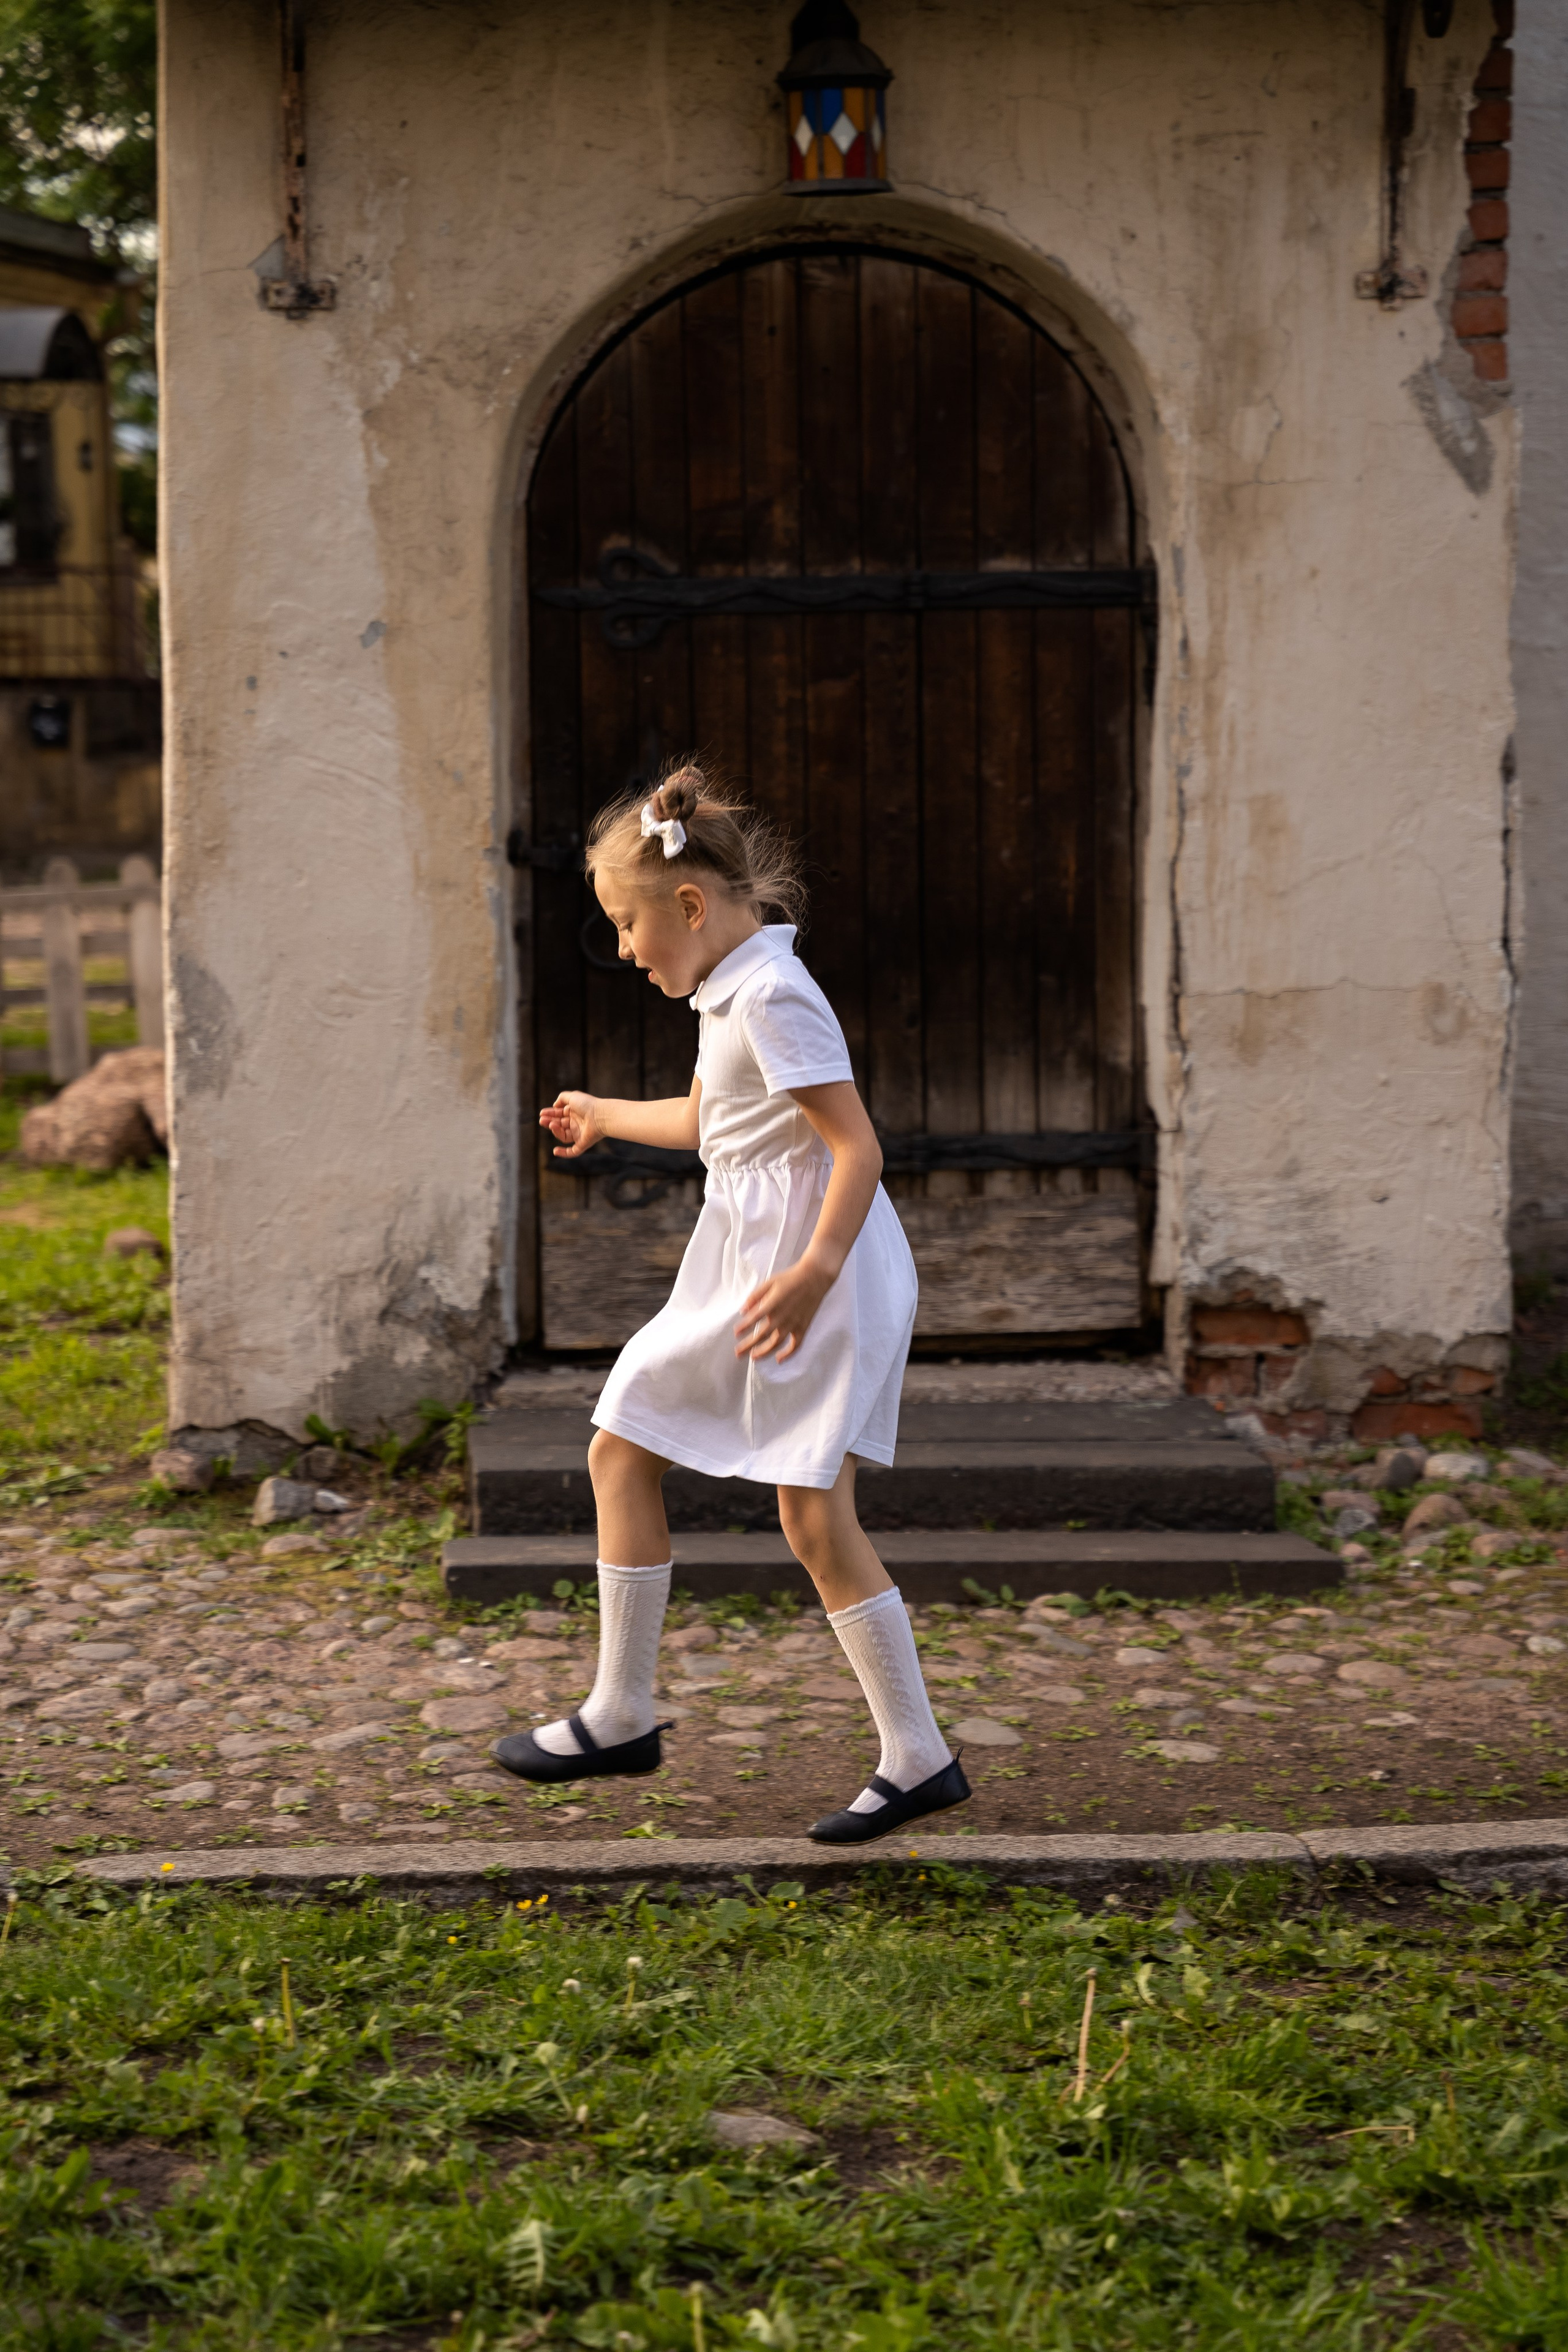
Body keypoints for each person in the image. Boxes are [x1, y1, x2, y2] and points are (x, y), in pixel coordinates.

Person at [494, 762, 969, 1842]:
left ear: (690, 905)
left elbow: (857, 1149)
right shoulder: (731, 991)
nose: (625, 949)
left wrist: (811, 1275)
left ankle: (917, 1755)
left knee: (812, 1514)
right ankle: (622, 1713)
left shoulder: (774, 996)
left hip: (819, 1277)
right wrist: (607, 1114)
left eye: (627, 924)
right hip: (753, 1271)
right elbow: (715, 1123)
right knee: (623, 1447)